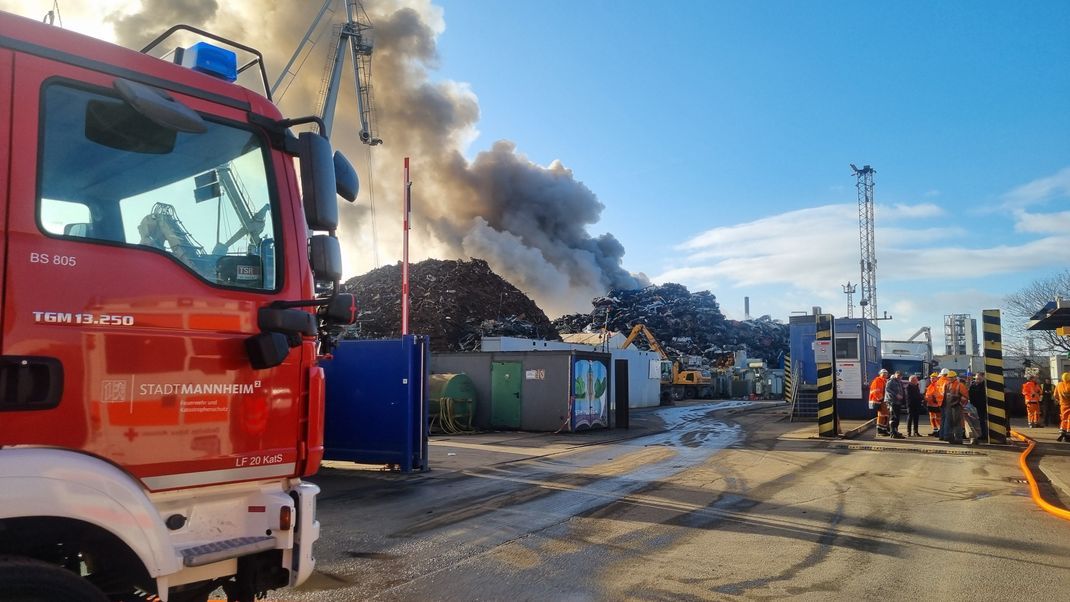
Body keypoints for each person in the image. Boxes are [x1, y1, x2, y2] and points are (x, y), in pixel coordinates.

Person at [943, 370, 970, 444]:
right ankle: (951, 438)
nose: (950, 378)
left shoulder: (960, 385)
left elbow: (965, 396)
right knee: (950, 422)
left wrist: (961, 403)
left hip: (957, 406)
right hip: (949, 406)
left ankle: (958, 439)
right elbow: (945, 396)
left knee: (957, 423)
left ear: (955, 377)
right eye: (949, 377)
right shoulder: (947, 385)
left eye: (952, 377)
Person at [884, 371, 906, 438]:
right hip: (892, 401)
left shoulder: (899, 382)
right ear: (895, 374)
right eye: (898, 375)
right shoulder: (891, 381)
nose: (899, 377)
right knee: (893, 417)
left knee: (897, 417)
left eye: (901, 376)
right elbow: (887, 389)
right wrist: (896, 395)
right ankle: (893, 433)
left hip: (898, 402)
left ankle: (896, 431)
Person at [869, 369, 890, 436]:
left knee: (885, 415)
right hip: (879, 401)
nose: (885, 375)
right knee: (882, 415)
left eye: (886, 373)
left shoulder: (885, 381)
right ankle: (880, 431)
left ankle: (884, 430)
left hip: (883, 401)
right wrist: (881, 399)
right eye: (883, 373)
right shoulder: (877, 380)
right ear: (880, 374)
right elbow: (876, 391)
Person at [968, 372, 988, 442]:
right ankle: (983, 435)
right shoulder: (973, 386)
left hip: (986, 406)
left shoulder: (986, 386)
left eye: (979, 378)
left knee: (985, 421)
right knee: (980, 421)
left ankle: (986, 434)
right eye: (976, 378)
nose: (977, 380)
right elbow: (970, 395)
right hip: (977, 406)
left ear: (983, 378)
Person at [924, 371, 942, 436]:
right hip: (930, 404)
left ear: (937, 378)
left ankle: (940, 430)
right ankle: (935, 430)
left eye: (933, 378)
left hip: (936, 404)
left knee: (938, 418)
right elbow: (927, 394)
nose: (932, 379)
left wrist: (935, 399)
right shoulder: (930, 385)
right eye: (931, 378)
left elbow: (938, 394)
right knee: (932, 418)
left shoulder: (938, 385)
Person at [1057, 373, 1070, 443]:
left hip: (1062, 405)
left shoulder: (1059, 385)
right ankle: (1068, 434)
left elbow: (1055, 395)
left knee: (1064, 419)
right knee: (1069, 419)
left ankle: (1062, 431)